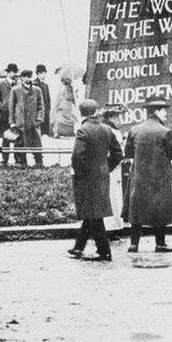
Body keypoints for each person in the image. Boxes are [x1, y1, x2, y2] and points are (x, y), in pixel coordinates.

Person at [68, 99, 124, 261]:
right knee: (92, 211)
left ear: (81, 113)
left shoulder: (83, 130)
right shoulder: (107, 129)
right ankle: (79, 247)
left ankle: (104, 251)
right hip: (102, 176)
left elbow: (77, 156)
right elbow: (117, 154)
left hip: (86, 178)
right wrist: (106, 168)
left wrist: (79, 173)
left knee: (93, 213)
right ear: (96, 111)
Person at [123, 96, 172, 253]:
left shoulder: (134, 130)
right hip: (159, 177)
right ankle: (160, 244)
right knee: (160, 209)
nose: (166, 115)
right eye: (164, 111)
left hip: (139, 176)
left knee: (137, 209)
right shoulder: (165, 132)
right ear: (156, 111)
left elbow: (128, 152)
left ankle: (134, 244)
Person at [100, 103, 128, 234]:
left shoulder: (102, 128)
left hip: (103, 166)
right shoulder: (113, 131)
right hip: (112, 168)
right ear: (111, 117)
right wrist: (110, 166)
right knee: (113, 196)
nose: (118, 119)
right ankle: (111, 227)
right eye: (116, 116)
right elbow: (118, 153)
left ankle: (108, 226)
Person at [9, 69, 45, 167]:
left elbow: (41, 106)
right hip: (20, 122)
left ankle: (39, 162)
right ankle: (22, 163)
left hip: (33, 122)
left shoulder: (37, 90)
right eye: (25, 77)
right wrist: (11, 122)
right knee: (20, 143)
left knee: (36, 143)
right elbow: (11, 107)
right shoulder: (15, 90)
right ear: (22, 78)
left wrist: (39, 119)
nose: (28, 79)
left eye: (29, 76)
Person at [0, 63, 20, 165]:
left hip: (16, 116)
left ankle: (18, 159)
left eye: (15, 72)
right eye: (13, 72)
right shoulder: (0, 85)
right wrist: (1, 108)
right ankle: (5, 159)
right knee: (6, 137)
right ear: (8, 72)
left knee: (17, 137)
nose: (15, 74)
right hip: (4, 115)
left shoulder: (18, 85)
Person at [33, 64, 52, 137]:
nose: (45, 75)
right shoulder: (34, 84)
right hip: (38, 111)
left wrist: (48, 108)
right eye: (44, 73)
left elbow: (48, 99)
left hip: (46, 111)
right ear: (39, 73)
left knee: (45, 132)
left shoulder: (45, 85)